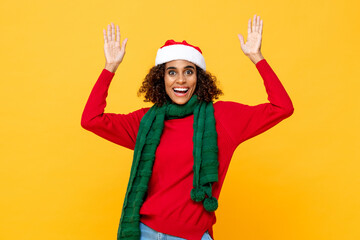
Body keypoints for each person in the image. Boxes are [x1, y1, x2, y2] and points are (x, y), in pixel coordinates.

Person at [81, 14, 294, 240]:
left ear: (199, 79)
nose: (180, 80)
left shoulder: (223, 118)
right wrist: (110, 67)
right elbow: (91, 119)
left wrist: (257, 57)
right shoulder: (146, 123)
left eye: (188, 71)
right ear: (161, 79)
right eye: (172, 72)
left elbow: (282, 107)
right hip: (144, 232)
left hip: (190, 235)